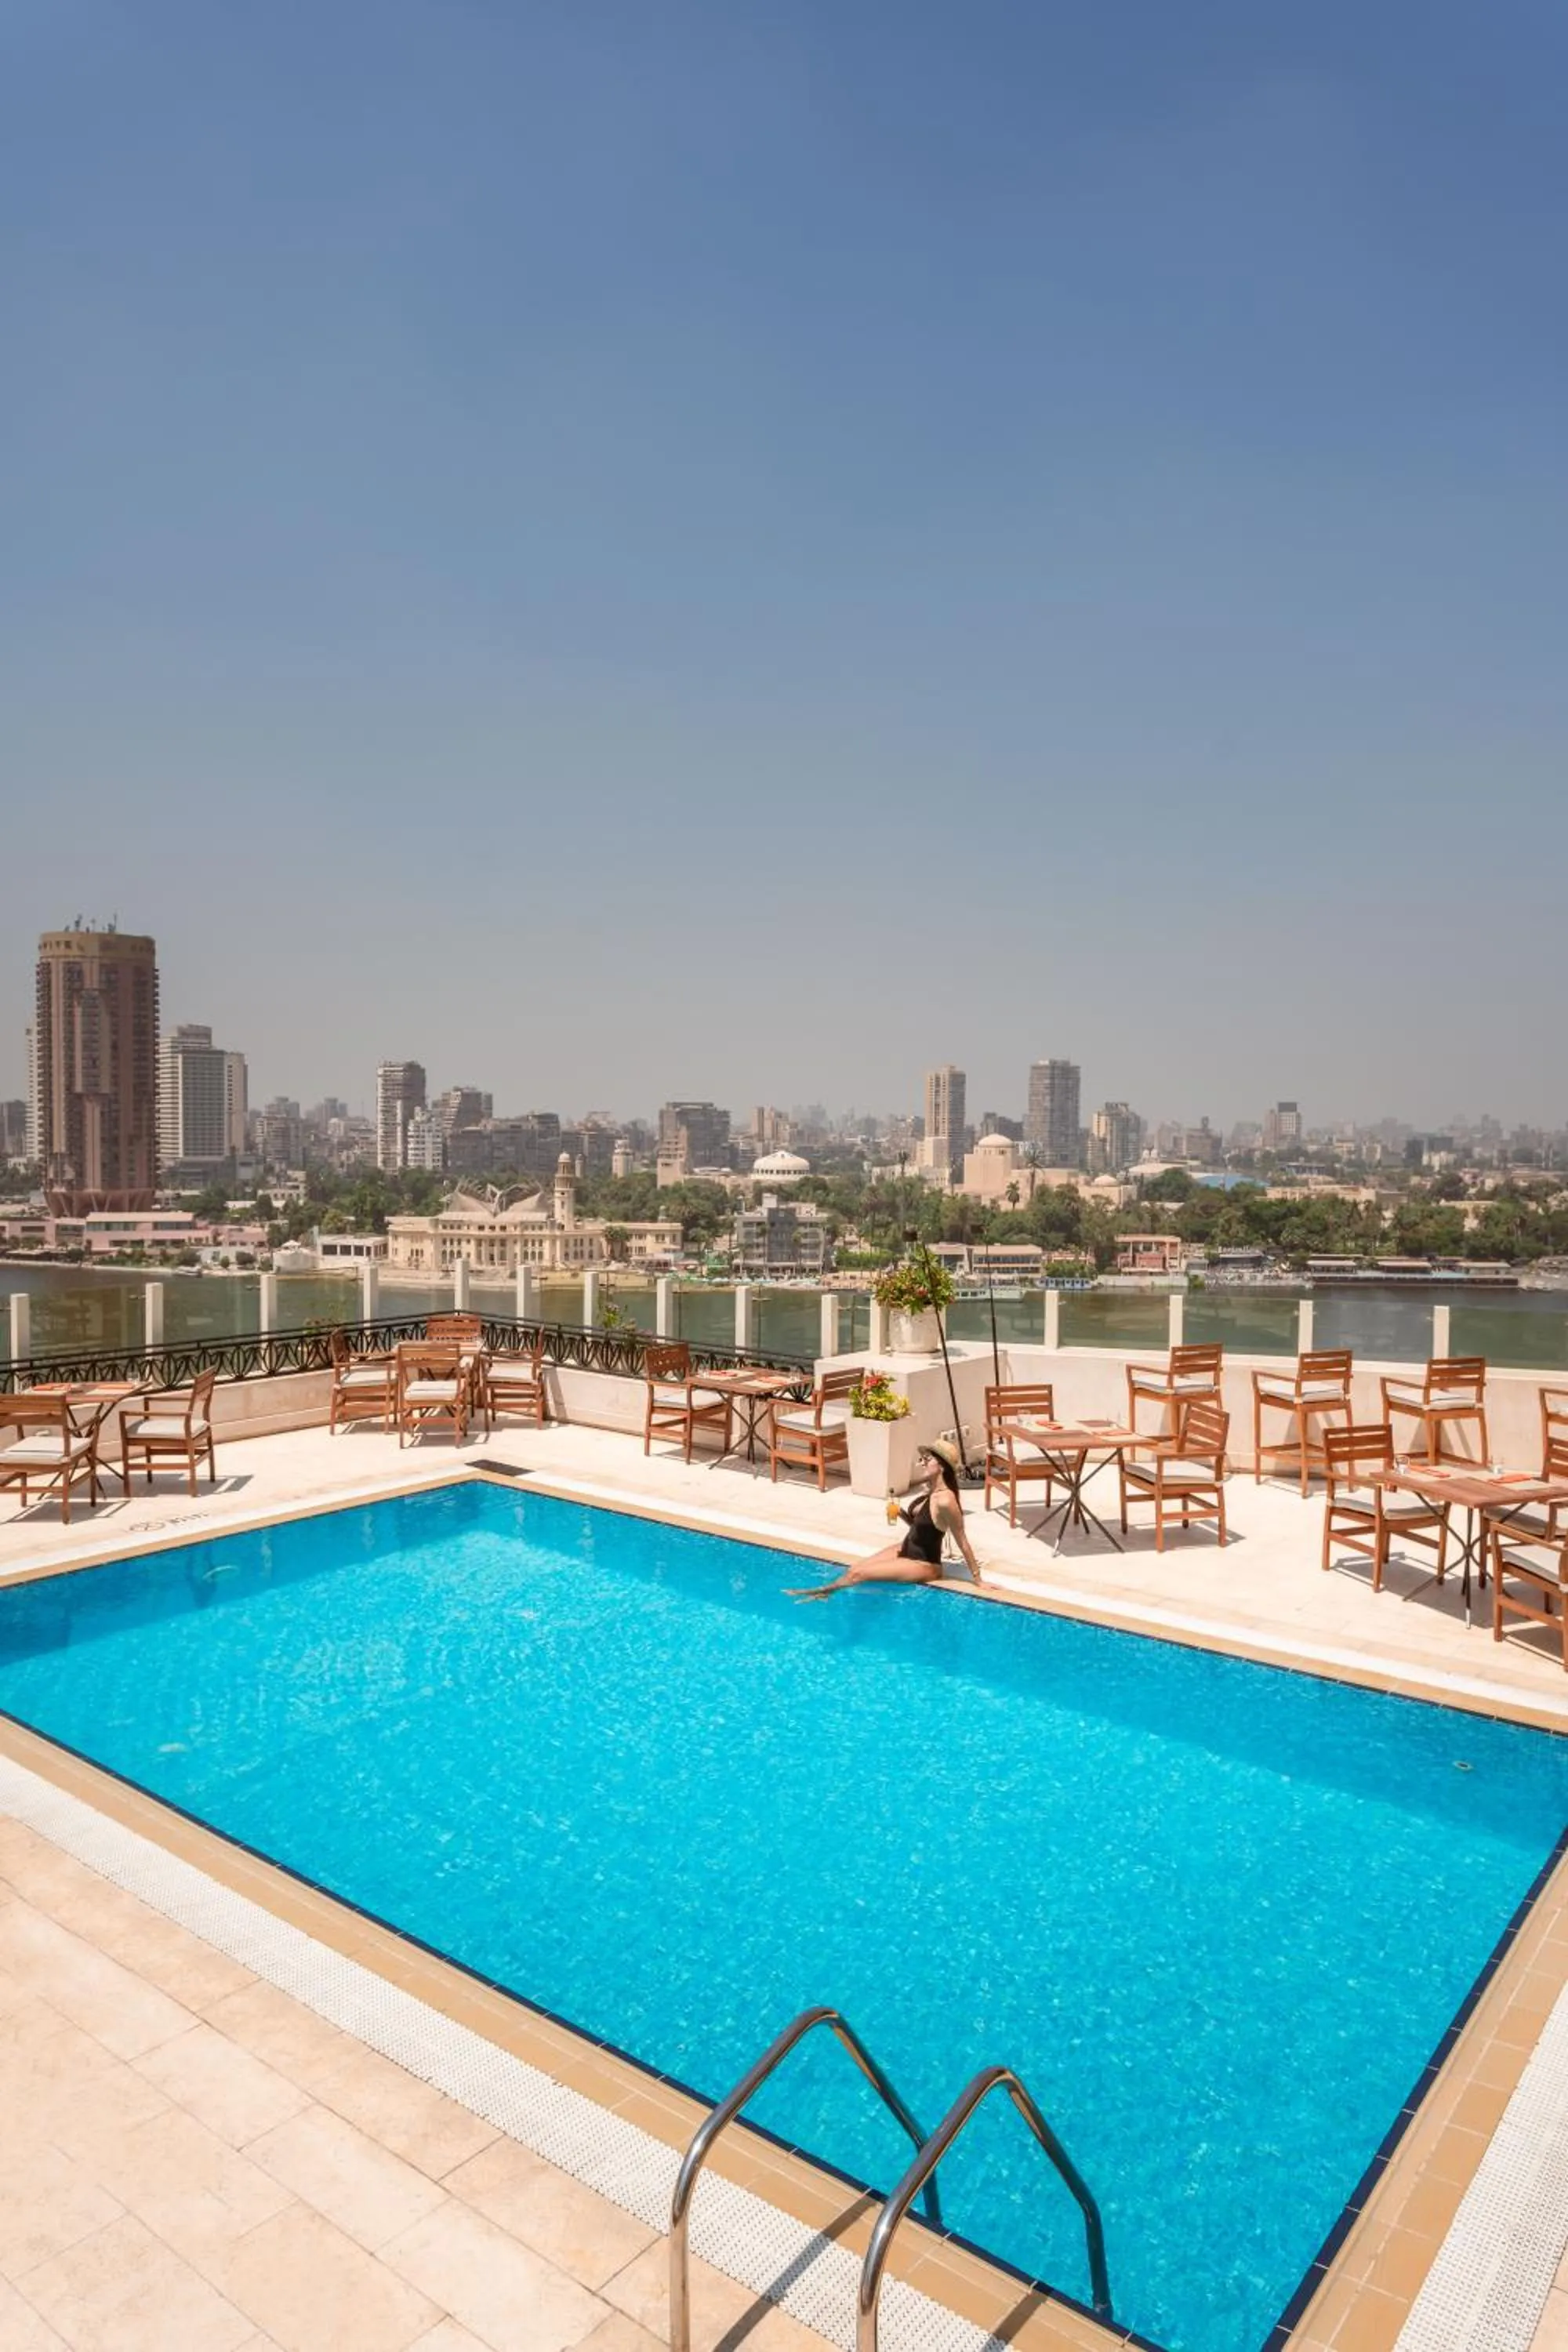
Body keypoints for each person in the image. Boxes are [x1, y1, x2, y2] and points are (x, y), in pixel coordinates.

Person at [787, 1437, 984, 1600]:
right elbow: (924, 1528)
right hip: (906, 1548)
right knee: (855, 1568)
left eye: (927, 1459)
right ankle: (828, 1592)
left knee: (858, 1575)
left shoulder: (946, 1500)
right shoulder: (931, 1490)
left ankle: (823, 1593)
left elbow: (962, 1541)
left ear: (942, 1466)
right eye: (923, 1458)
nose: (922, 1462)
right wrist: (902, 1515)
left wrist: (978, 1580)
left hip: (924, 1564)